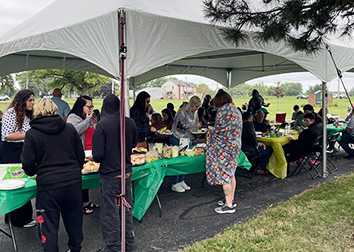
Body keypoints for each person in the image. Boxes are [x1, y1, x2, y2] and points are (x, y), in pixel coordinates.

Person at [21, 98, 84, 252]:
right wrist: (75, 170)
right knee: (74, 220)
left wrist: (35, 172)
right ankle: (75, 249)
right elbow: (80, 156)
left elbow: (27, 163)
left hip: (48, 185)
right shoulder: (69, 129)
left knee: (48, 226)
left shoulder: (32, 134)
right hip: (72, 182)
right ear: (55, 110)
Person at [92, 94, 137, 252]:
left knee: (110, 214)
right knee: (126, 210)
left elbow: (97, 155)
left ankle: (114, 248)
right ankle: (128, 244)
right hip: (126, 175)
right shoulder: (130, 122)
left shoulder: (102, 125)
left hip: (110, 176)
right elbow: (132, 144)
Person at [0, 89, 36, 228]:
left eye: (33, 100)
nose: (33, 103)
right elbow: (7, 135)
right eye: (30, 100)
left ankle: (15, 217)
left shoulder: (25, 114)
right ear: (22, 101)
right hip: (11, 151)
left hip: (21, 149)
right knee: (17, 183)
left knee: (21, 182)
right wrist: (29, 134)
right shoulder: (10, 113)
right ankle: (21, 219)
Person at [206, 91, 242, 214]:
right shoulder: (236, 110)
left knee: (225, 175)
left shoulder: (222, 112)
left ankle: (229, 205)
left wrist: (210, 131)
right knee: (231, 173)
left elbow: (219, 131)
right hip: (235, 146)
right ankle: (231, 199)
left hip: (224, 148)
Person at [67, 96, 99, 214]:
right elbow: (74, 131)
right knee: (79, 179)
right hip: (79, 153)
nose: (91, 109)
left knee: (86, 179)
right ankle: (79, 205)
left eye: (92, 106)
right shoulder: (73, 117)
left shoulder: (89, 118)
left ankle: (85, 201)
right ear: (81, 106)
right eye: (88, 107)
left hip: (90, 152)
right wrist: (87, 120)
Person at [170, 96, 201, 193]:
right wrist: (194, 126)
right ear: (192, 105)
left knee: (185, 161)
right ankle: (175, 183)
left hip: (187, 138)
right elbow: (180, 126)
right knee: (178, 161)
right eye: (196, 106)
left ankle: (181, 180)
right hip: (177, 137)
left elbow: (195, 125)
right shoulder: (181, 112)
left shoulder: (194, 113)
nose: (197, 109)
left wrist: (197, 128)